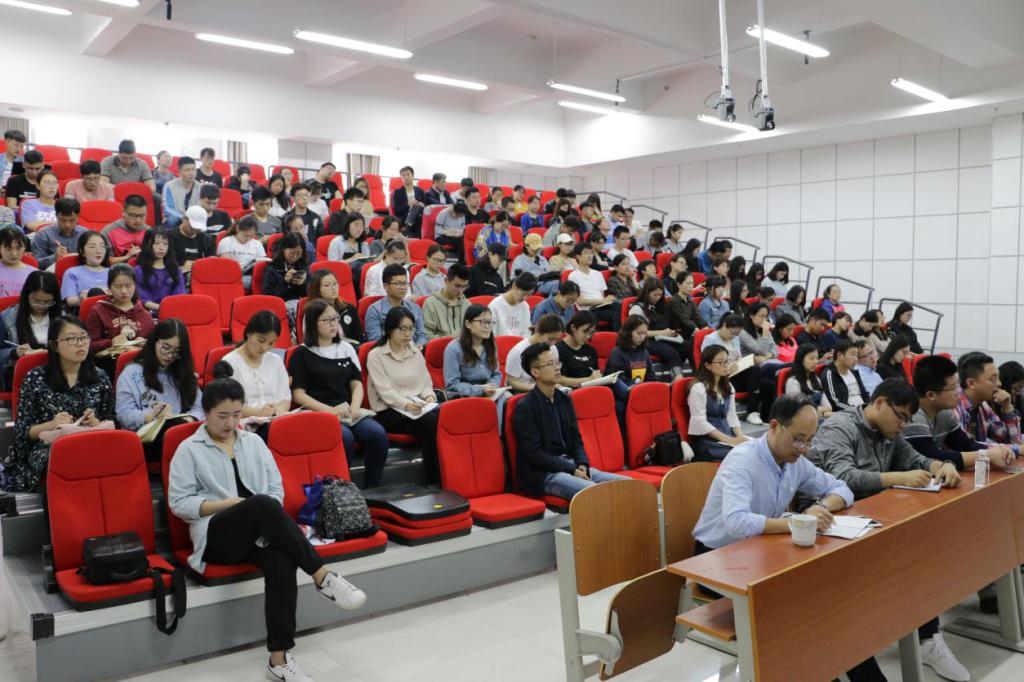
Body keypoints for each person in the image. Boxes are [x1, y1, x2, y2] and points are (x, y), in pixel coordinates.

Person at [168, 371, 366, 682]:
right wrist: (230, 505)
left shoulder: (254, 443)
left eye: (237, 414)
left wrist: (261, 515)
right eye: (222, 416)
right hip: (217, 536)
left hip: (260, 531)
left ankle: (279, 659)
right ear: (206, 413)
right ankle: (322, 576)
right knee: (260, 504)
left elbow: (276, 490)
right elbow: (179, 504)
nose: (231, 423)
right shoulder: (189, 449)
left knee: (282, 560)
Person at [805, 378, 968, 682]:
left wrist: (939, 466)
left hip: (872, 520)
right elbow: (844, 476)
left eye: (907, 419)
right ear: (880, 403)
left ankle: (928, 638)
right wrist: (898, 478)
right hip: (831, 524)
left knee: (919, 560)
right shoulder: (840, 427)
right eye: (901, 417)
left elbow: (915, 458)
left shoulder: (890, 431)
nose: (903, 425)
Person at [692, 393, 853, 550]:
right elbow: (736, 522)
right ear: (774, 426)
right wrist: (800, 522)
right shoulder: (743, 460)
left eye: (810, 440)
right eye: (798, 439)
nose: (804, 449)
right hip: (716, 553)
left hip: (759, 546)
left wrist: (821, 507)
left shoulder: (796, 462)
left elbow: (842, 489)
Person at [0, 316, 114, 492]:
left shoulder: (100, 376)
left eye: (84, 337)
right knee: (70, 456)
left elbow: (111, 421)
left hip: (91, 441)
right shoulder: (35, 378)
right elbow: (22, 433)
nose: (80, 344)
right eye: (71, 339)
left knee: (115, 452)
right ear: (54, 345)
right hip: (49, 446)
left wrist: (96, 422)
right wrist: (52, 424)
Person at [289, 300, 388, 487]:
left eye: (335, 318)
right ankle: (342, 489)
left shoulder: (346, 348)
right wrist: (330, 411)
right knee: (344, 437)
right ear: (313, 324)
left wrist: (355, 407)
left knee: (378, 434)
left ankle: (373, 487)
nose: (333, 324)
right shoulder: (301, 354)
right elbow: (299, 394)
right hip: (319, 413)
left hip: (348, 411)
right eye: (327, 320)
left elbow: (356, 384)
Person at [512, 343, 628, 499]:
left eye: (557, 363)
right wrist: (571, 469)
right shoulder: (525, 407)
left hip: (571, 465)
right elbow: (534, 455)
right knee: (593, 492)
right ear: (535, 372)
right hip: (544, 473)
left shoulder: (564, 399)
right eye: (550, 364)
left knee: (628, 484)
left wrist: (582, 463)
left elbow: (576, 438)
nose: (557, 368)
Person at [366, 307, 441, 482]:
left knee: (445, 416)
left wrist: (429, 396)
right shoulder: (376, 355)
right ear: (390, 329)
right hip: (389, 410)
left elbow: (425, 382)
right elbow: (385, 392)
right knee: (431, 423)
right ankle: (434, 479)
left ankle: (449, 472)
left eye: (411, 329)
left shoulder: (414, 351)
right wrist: (407, 404)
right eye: (402, 329)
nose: (408, 334)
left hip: (417, 405)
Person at [906, 355, 1016, 474]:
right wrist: (987, 455)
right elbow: (934, 456)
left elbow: (966, 445)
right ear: (931, 395)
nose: (958, 392)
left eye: (957, 385)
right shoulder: (913, 415)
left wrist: (999, 451)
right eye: (953, 388)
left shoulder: (945, 413)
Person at [115, 319, 203, 461]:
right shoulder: (132, 373)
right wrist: (151, 416)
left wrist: (188, 419)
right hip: (146, 439)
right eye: (165, 347)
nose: (170, 355)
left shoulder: (183, 372)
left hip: (180, 434)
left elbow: (200, 407)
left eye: (176, 352)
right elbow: (124, 414)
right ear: (154, 342)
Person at [443, 305, 510, 428]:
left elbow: (496, 373)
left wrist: (492, 387)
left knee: (509, 400)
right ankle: (496, 435)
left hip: (489, 393)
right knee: (500, 402)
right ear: (468, 324)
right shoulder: (453, 348)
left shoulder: (491, 344)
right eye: (483, 322)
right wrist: (481, 390)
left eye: (490, 322)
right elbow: (452, 385)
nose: (488, 326)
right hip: (464, 395)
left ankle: (498, 435)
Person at [84, 264, 155, 376]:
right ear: (109, 288)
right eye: (118, 286)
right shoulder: (98, 311)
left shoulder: (145, 315)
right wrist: (111, 342)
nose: (124, 291)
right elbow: (87, 345)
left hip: (139, 365)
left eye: (128, 285)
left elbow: (155, 346)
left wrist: (145, 344)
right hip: (108, 366)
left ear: (135, 286)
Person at [222, 311, 292, 423]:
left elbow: (286, 397)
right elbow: (227, 405)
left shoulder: (276, 361)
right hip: (245, 424)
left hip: (277, 421)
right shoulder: (229, 363)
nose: (265, 348)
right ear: (248, 333)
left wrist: (279, 410)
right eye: (261, 340)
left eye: (271, 343)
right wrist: (258, 413)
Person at [688, 344, 750, 461]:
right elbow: (700, 422)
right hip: (707, 441)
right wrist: (729, 440)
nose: (726, 365)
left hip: (727, 436)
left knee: (752, 448)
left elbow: (731, 415)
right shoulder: (698, 388)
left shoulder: (728, 386)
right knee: (742, 455)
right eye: (721, 362)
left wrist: (740, 436)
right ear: (707, 365)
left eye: (727, 361)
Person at [0, 271, 60, 388]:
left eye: (47, 301)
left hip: (57, 373)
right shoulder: (8, 317)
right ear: (26, 295)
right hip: (21, 376)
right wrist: (14, 352)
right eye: (36, 300)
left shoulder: (63, 318)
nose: (41, 305)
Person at [954, 352, 1022, 452]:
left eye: (998, 378)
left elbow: (1013, 441)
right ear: (971, 383)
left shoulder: (983, 407)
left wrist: (1007, 409)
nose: (999, 383)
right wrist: (1016, 449)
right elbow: (967, 445)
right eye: (993, 379)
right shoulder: (953, 406)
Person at [738, 302, 785, 424]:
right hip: (750, 370)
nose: (764, 320)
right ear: (751, 315)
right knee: (784, 371)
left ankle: (768, 417)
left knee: (772, 384)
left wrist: (766, 357)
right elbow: (761, 349)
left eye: (766, 316)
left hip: (765, 364)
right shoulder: (743, 333)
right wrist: (765, 333)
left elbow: (775, 350)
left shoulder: (764, 331)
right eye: (761, 316)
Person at [628, 277, 683, 376]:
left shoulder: (660, 306)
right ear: (647, 293)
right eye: (654, 294)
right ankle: (678, 378)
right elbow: (636, 333)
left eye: (660, 295)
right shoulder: (637, 308)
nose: (657, 297)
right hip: (646, 341)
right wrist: (662, 333)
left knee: (686, 346)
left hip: (663, 338)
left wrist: (671, 332)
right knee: (671, 352)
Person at [365, 264, 427, 346]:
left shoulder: (415, 308)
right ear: (386, 286)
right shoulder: (375, 310)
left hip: (414, 350)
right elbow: (376, 340)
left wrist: (418, 347)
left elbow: (422, 335)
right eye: (398, 284)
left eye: (405, 283)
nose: (403, 287)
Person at [505, 314, 565, 393]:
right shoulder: (518, 351)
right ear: (538, 333)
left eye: (557, 340)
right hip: (523, 392)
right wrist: (539, 388)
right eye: (550, 339)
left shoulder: (553, 349)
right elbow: (511, 382)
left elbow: (553, 374)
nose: (553, 343)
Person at [567, 242, 618, 330]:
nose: (590, 255)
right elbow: (580, 301)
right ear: (578, 256)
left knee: (621, 306)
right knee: (617, 314)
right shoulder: (573, 276)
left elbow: (601, 296)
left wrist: (605, 301)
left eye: (591, 252)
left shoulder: (598, 274)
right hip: (588, 310)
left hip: (601, 306)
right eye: (586, 253)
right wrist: (603, 300)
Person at [134, 228, 184, 313]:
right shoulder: (138, 271)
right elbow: (143, 299)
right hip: (147, 313)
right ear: (147, 245)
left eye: (165, 244)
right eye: (156, 244)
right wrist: (162, 308)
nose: (161, 248)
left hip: (172, 311)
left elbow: (179, 296)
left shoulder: (175, 270)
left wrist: (170, 309)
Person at [30, 198, 88, 271]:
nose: (67, 225)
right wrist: (54, 257)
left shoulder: (85, 234)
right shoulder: (43, 234)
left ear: (78, 217)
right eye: (63, 220)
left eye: (72, 220)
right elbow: (35, 264)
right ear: (56, 215)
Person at [306, 269, 361, 343]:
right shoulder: (312, 312)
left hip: (352, 348)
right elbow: (312, 341)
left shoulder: (349, 308)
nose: (333, 288)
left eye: (335, 284)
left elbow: (360, 338)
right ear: (317, 289)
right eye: (327, 285)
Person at [262, 232, 308, 321]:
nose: (295, 256)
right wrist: (285, 282)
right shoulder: (272, 268)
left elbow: (308, 295)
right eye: (292, 253)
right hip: (279, 308)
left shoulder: (303, 266)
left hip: (299, 306)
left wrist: (302, 284)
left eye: (298, 253)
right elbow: (268, 296)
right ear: (283, 250)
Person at [60, 232, 111, 308]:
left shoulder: (113, 272)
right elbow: (70, 301)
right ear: (82, 252)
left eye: (102, 246)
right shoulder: (72, 272)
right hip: (84, 310)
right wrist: (84, 298)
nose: (99, 251)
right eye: (92, 247)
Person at [422, 263, 471, 340]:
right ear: (446, 281)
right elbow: (427, 334)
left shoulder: (467, 304)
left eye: (464, 286)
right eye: (457, 286)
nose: (461, 291)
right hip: (440, 346)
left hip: (464, 346)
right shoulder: (430, 303)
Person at [217, 215, 267, 290]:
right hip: (232, 276)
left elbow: (262, 262)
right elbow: (226, 265)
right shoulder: (227, 241)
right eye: (245, 235)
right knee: (260, 282)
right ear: (237, 229)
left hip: (252, 275)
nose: (248, 239)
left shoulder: (257, 244)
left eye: (251, 236)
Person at [555, 311, 603, 388]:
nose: (588, 336)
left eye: (591, 333)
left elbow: (595, 374)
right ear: (573, 327)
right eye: (585, 331)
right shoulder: (558, 349)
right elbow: (559, 379)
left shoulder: (591, 350)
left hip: (591, 389)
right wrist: (589, 379)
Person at [785, 343, 832, 419]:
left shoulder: (816, 379)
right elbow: (799, 412)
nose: (815, 362)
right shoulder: (793, 382)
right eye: (811, 358)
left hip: (818, 419)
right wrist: (821, 411)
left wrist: (818, 411)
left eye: (817, 358)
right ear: (801, 359)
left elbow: (828, 407)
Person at [820, 338, 869, 411]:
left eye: (857, 355)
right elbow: (836, 403)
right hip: (848, 414)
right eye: (853, 355)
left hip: (862, 411)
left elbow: (865, 395)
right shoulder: (829, 374)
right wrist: (858, 411)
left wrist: (870, 407)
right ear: (840, 355)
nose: (856, 359)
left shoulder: (854, 372)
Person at [606, 315, 654, 386]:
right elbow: (618, 381)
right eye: (639, 333)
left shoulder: (644, 352)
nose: (642, 338)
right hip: (624, 390)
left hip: (640, 389)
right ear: (628, 332)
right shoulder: (617, 352)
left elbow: (650, 376)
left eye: (644, 334)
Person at [327, 212, 373, 284]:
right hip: (341, 279)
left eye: (361, 226)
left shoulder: (364, 244)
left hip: (361, 279)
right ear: (347, 226)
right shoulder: (337, 242)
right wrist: (351, 259)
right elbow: (332, 266)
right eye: (356, 225)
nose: (359, 229)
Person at [168, 205, 214, 275]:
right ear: (184, 219)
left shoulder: (206, 239)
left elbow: (212, 260)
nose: (195, 229)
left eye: (198, 227)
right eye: (192, 226)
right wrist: (182, 268)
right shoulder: (169, 237)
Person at [488, 272, 536, 338]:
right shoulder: (494, 306)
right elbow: (492, 334)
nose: (525, 298)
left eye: (529, 295)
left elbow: (526, 333)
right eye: (523, 294)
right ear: (514, 286)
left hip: (520, 343)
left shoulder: (525, 306)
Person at [103, 194, 149, 263]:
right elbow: (104, 261)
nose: (138, 220)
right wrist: (127, 257)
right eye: (133, 215)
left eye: (142, 216)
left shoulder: (149, 231)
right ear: (123, 212)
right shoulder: (108, 232)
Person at [161, 156, 201, 229]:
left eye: (193, 169)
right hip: (177, 218)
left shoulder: (200, 187)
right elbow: (167, 209)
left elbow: (200, 207)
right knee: (171, 220)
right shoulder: (169, 186)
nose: (191, 173)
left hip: (193, 219)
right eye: (187, 170)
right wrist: (183, 217)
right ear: (179, 171)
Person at [0, 227, 35, 297]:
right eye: (8, 249)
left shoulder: (33, 273)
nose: (14, 254)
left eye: (18, 249)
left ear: (24, 248)